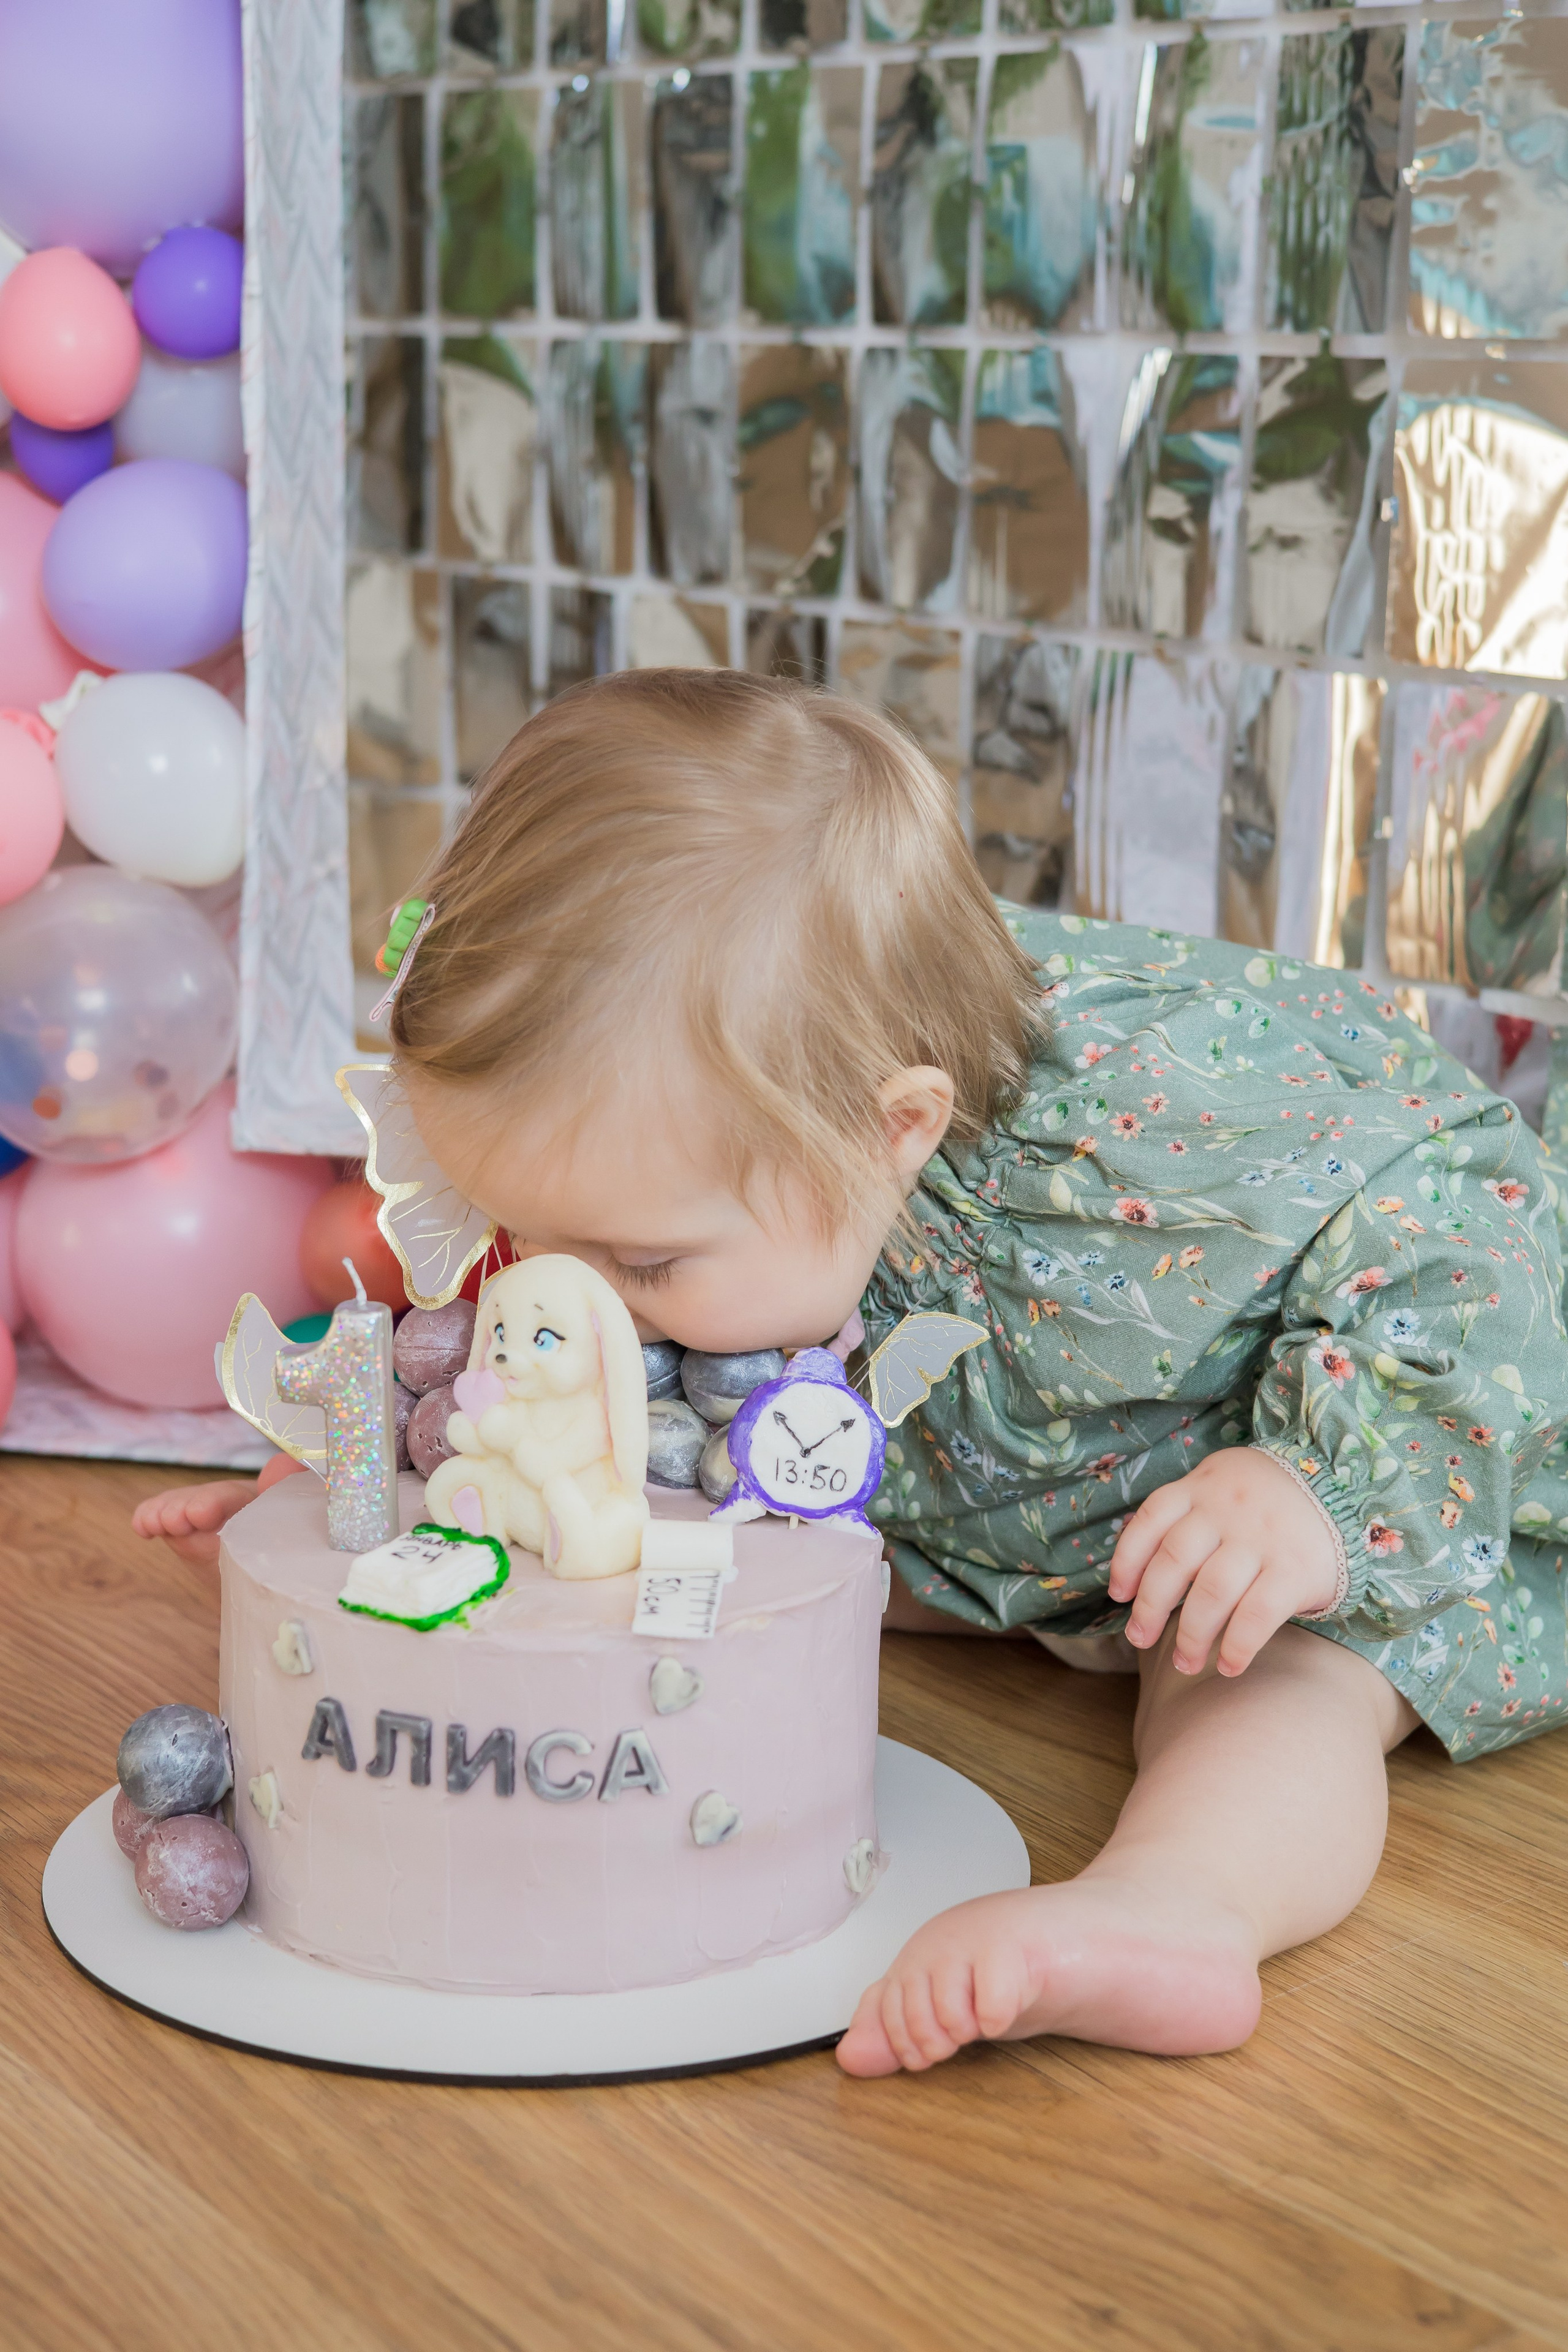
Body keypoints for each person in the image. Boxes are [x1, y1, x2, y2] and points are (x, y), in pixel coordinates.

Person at [135, 669, 1568, 2076]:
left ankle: (1179, 1906)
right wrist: (384, 1479)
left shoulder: (1163, 1110)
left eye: (636, 1263)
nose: (577, 1293)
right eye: (528, 1227)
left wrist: (1312, 1485)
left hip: (1335, 1501)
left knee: (1269, 1679)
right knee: (684, 1561)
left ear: (896, 1129)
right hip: (1001, 1502)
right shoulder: (734, 1149)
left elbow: (1471, 1193)